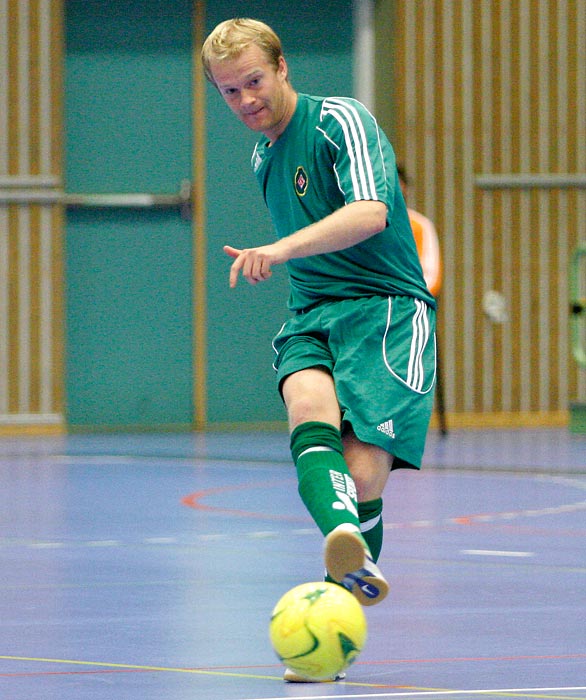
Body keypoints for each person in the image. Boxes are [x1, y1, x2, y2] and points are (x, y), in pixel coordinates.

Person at [202, 18, 437, 682]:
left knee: (363, 475)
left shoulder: (341, 121)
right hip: (312, 314)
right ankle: (346, 546)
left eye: (254, 82)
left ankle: (333, 619)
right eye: (229, 92)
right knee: (307, 405)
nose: (247, 101)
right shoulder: (261, 157)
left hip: (386, 313)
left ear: (281, 67)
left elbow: (371, 213)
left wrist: (276, 250)